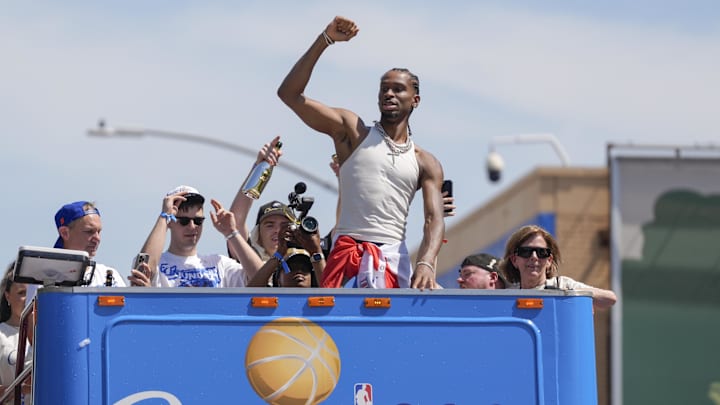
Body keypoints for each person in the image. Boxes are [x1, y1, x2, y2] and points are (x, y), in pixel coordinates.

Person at [277, 16, 445, 290]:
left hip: (392, 259)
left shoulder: (425, 162)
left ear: (415, 100)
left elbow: (433, 219)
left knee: (388, 332)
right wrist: (325, 40)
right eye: (384, 89)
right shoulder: (353, 133)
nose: (389, 93)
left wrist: (426, 261)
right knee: (340, 330)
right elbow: (289, 94)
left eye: (398, 89)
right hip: (347, 254)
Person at [140, 186, 262, 287]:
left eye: (198, 221)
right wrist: (164, 217)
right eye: (184, 221)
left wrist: (232, 232)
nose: (192, 226)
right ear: (170, 222)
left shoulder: (219, 263)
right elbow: (143, 271)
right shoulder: (159, 263)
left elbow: (262, 278)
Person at [499, 225, 617, 309]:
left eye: (541, 253)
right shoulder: (508, 295)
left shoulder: (562, 285)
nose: (534, 257)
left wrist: (570, 296)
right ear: (514, 260)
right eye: (526, 252)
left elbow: (610, 299)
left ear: (549, 260)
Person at [52, 201, 127, 287]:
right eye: (89, 231)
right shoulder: (40, 277)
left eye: (99, 232)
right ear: (64, 233)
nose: (97, 238)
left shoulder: (111, 276)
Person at [0, 263, 32, 401]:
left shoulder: (49, 335)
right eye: (21, 293)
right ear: (7, 296)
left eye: (31, 293)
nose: (28, 299)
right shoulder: (1, 334)